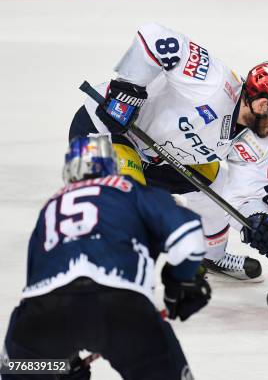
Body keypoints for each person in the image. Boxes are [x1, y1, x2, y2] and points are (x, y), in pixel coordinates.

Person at [68, 23, 268, 278]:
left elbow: (245, 196)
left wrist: (256, 220)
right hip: (106, 128)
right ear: (261, 104)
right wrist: (128, 90)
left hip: (158, 156)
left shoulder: (263, 143)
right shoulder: (213, 82)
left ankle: (211, 257)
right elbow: (156, 37)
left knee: (217, 190)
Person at [2, 136, 211, 379]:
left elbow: (36, 286)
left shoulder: (50, 208)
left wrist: (61, 365)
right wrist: (179, 283)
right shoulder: (130, 191)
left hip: (41, 320)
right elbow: (189, 240)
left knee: (17, 369)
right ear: (112, 167)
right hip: (122, 312)